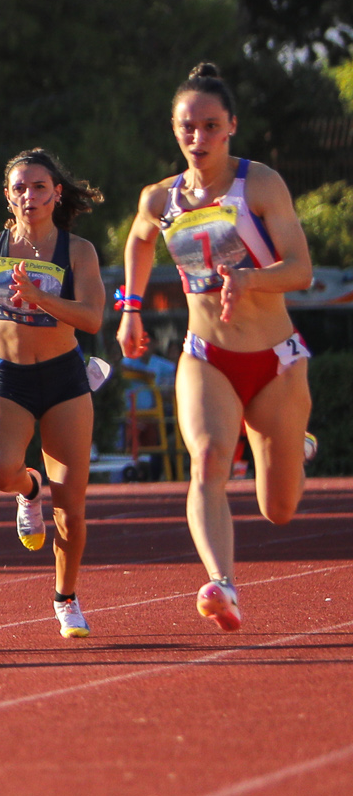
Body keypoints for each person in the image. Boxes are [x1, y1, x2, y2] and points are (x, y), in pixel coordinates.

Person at [118, 63, 315, 631]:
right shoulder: (160, 198)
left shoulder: (260, 184)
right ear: (174, 129)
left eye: (210, 126)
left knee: (278, 510)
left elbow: (300, 270)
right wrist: (130, 308)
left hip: (276, 362)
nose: (198, 137)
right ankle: (222, 584)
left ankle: (294, 445)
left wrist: (250, 279)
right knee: (206, 461)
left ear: (231, 126)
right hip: (207, 356)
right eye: (188, 126)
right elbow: (138, 242)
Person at [0, 149, 107, 638]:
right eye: (20, 187)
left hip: (64, 379)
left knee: (72, 509)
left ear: (57, 194)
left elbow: (93, 319)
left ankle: (66, 598)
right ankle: (30, 489)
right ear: (7, 196)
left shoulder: (77, 251)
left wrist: (42, 299)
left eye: (39, 187)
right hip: (8, 378)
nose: (29, 196)